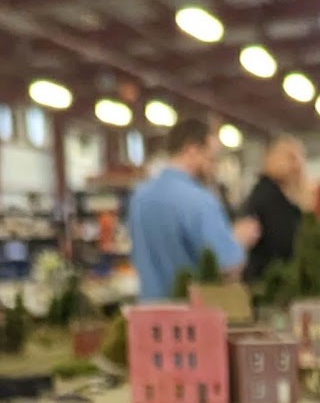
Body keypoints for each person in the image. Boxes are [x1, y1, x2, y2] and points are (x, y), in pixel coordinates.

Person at [128, 117, 259, 303]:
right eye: (211, 159)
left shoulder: (139, 197)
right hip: (189, 314)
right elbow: (227, 266)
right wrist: (238, 240)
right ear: (192, 150)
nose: (213, 168)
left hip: (147, 311)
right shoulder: (200, 200)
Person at [239, 136, 306, 288]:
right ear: (269, 157)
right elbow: (284, 245)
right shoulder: (266, 199)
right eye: (291, 157)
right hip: (268, 285)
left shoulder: (286, 199)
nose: (297, 165)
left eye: (301, 158)